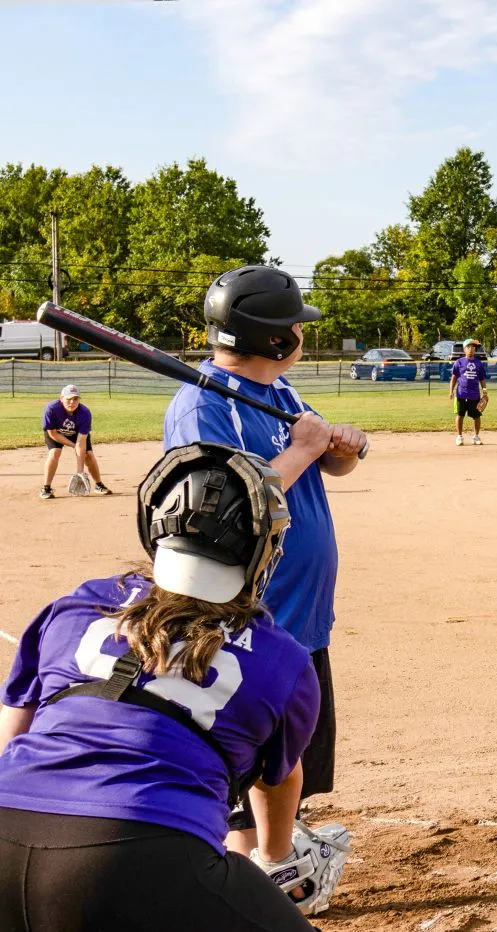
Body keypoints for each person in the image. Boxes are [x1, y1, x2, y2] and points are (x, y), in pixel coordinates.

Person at [0, 442, 347, 929]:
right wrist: (274, 855)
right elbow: (278, 780)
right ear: (261, 550)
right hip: (139, 852)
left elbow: (14, 732)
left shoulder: (81, 602)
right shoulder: (281, 657)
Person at [162, 265, 368, 867]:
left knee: (291, 756)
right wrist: (304, 448)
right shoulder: (201, 407)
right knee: (250, 756)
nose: (303, 334)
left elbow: (315, 466)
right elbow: (225, 507)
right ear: (277, 340)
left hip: (302, 615)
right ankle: (252, 873)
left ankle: (272, 856)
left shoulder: (279, 393)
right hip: (251, 616)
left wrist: (338, 452)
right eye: (295, 327)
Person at [41, 384, 112, 500]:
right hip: (56, 433)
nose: (72, 402)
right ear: (61, 398)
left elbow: (81, 441)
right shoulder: (51, 409)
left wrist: (80, 472)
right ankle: (46, 488)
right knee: (54, 452)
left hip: (77, 434)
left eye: (75, 399)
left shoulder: (85, 413)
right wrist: (74, 446)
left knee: (88, 454)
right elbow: (52, 433)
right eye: (68, 399)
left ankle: (99, 485)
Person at [449, 337, 490, 446]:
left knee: (476, 416)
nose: (471, 349)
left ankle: (476, 436)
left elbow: (482, 379)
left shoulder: (479, 363)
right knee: (460, 415)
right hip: (461, 394)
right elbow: (454, 378)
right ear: (464, 350)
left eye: (473, 347)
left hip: (474, 395)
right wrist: (451, 391)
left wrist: (484, 392)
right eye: (469, 347)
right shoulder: (459, 362)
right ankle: (459, 437)